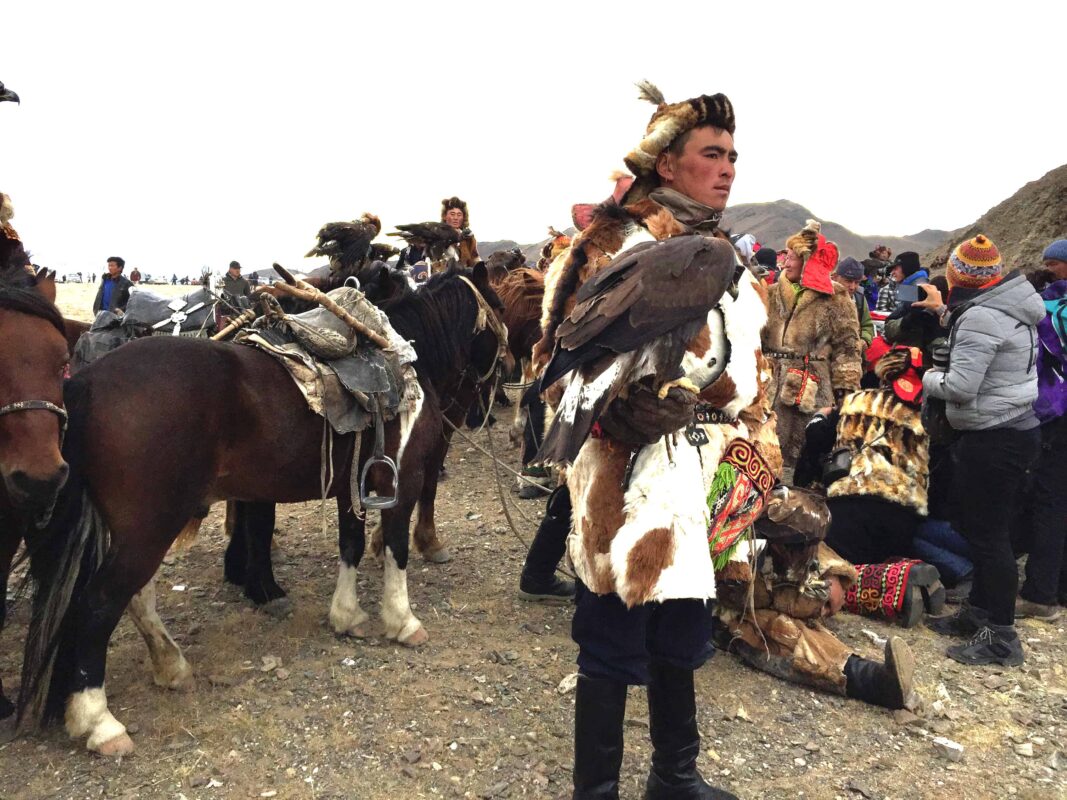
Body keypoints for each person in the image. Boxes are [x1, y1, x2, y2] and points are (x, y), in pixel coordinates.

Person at [531, 83, 779, 800]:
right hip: (624, 468)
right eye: (711, 153)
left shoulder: (719, 251)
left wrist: (751, 432)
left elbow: (738, 363)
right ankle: (596, 792)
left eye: (732, 154)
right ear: (666, 163)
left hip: (700, 464)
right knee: (613, 632)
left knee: (683, 626)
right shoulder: (611, 244)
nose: (727, 166)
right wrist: (610, 419)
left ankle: (674, 776)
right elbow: (552, 362)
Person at [917, 235, 1044, 666]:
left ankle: (1001, 636)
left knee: (989, 537)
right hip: (1014, 427)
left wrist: (927, 377)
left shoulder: (981, 318)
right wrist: (944, 316)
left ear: (960, 275)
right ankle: (978, 614)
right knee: (985, 529)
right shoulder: (1008, 307)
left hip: (992, 436)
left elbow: (960, 387)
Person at [714, 486, 918, 710]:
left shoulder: (781, 527)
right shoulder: (738, 556)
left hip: (773, 579)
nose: (811, 550)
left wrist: (832, 573)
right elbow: (760, 598)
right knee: (782, 632)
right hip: (730, 609)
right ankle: (873, 682)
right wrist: (813, 601)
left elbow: (813, 548)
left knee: (838, 582)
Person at [763, 220, 862, 474]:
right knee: (764, 459)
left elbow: (847, 351)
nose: (786, 261)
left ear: (809, 261)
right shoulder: (771, 293)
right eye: (788, 255)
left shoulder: (836, 298)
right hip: (768, 390)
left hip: (814, 393)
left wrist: (845, 399)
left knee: (805, 465)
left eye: (794, 256)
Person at [1012, 240, 1067, 621]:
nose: (1047, 269)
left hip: (1055, 414)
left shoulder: (1047, 306)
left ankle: (1040, 593)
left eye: (1054, 263)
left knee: (1049, 499)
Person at [834, 256, 874, 350]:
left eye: (857, 282)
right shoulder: (824, 297)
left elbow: (867, 325)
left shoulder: (859, 299)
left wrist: (864, 340)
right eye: (848, 281)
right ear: (836, 277)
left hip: (853, 354)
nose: (852, 287)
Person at [441, 196, 479, 268]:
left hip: (464, 275)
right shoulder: (437, 235)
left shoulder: (468, 237)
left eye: (459, 215)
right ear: (445, 216)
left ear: (463, 217)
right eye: (452, 214)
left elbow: (475, 258)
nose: (456, 218)